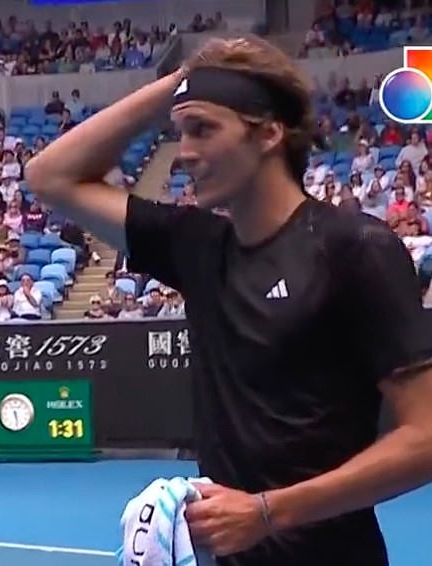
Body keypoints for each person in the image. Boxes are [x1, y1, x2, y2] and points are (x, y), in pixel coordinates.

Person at [25, 35, 432, 566]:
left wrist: (267, 512)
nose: (185, 153)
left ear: (267, 134)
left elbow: (424, 438)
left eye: (203, 129)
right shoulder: (196, 245)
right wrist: (182, 83)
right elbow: (49, 175)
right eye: (179, 132)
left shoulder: (356, 249)